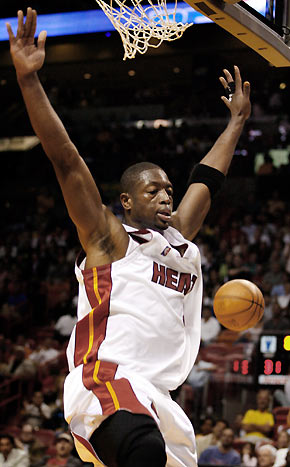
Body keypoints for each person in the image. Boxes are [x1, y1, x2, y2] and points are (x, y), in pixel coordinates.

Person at [6, 7, 251, 467]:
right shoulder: (109, 238)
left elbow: (208, 181)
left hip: (158, 397)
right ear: (126, 202)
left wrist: (236, 122)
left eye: (168, 190)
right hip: (107, 381)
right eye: (152, 190)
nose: (165, 196)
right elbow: (66, 160)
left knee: (152, 450)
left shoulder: (178, 241)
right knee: (141, 451)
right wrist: (29, 81)